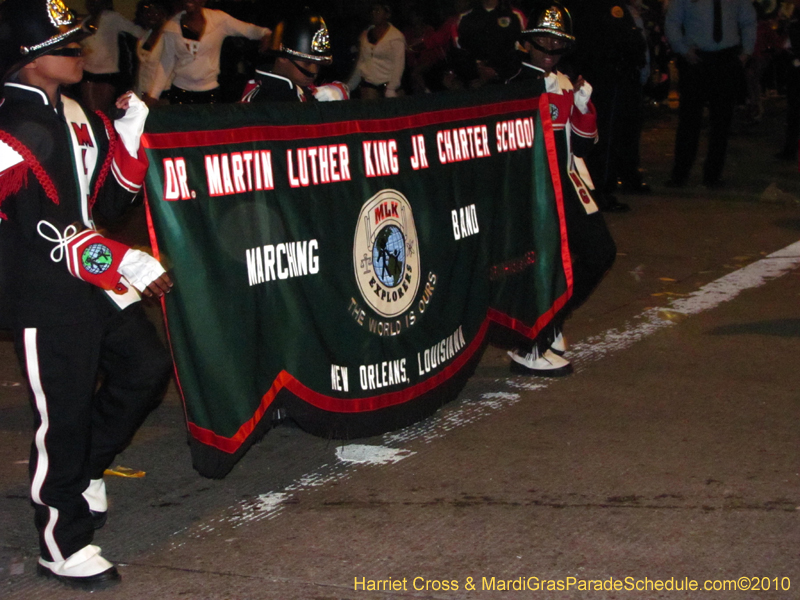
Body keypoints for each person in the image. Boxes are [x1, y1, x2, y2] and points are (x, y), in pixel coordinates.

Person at [0, 0, 173, 589]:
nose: (81, 52)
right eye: (66, 46)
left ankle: (85, 469)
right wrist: (123, 261)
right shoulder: (11, 127)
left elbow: (105, 204)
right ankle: (62, 542)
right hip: (44, 293)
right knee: (62, 417)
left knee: (145, 368)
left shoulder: (72, 111)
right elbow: (46, 235)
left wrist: (127, 140)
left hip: (91, 282)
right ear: (28, 59)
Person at [506, 2, 616, 376]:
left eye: (558, 40)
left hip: (569, 183)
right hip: (536, 191)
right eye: (543, 39)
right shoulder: (513, 86)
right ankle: (530, 344)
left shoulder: (566, 83)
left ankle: (550, 324)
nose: (550, 47)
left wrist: (582, 107)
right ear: (528, 41)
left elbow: (582, 145)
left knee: (598, 253)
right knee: (543, 267)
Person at [664, 0, 757, 187]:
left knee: (722, 120)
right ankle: (681, 172)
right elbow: (672, 21)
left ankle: (713, 174)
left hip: (726, 59)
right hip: (696, 59)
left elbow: (748, 20)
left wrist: (746, 51)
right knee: (689, 119)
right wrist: (682, 48)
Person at [571, 0, 648, 212]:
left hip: (615, 76)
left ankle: (611, 182)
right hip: (607, 77)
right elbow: (614, 40)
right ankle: (601, 190)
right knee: (606, 136)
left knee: (618, 134)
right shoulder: (599, 7)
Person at [145, 0, 271, 105]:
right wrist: (153, 95)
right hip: (180, 92)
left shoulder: (219, 20)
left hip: (209, 91)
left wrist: (266, 34)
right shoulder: (171, 28)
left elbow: (249, 30)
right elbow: (166, 63)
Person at [241, 10, 348, 103]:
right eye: (307, 63)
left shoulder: (295, 87)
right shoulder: (270, 99)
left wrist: (340, 90)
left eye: (318, 65)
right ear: (283, 57)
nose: (314, 72)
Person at [80, 0, 145, 114]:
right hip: (87, 70)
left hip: (108, 72)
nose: (93, 4)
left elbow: (138, 32)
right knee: (90, 111)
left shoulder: (112, 17)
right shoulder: (84, 21)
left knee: (101, 112)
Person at [450, 0, 527, 89]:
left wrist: (497, 72)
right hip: (475, 83)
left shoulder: (515, 15)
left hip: (509, 82)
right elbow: (460, 51)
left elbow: (524, 50)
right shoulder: (465, 17)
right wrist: (477, 72)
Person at [346, 2, 406, 99]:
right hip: (369, 84)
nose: (374, 13)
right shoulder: (365, 35)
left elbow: (399, 64)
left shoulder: (396, 37)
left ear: (387, 14)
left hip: (389, 84)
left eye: (377, 11)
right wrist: (349, 86)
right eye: (372, 10)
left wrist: (392, 88)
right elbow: (361, 62)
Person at [134, 0, 171, 99]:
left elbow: (167, 69)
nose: (151, 16)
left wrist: (153, 95)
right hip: (142, 91)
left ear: (164, 13)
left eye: (156, 12)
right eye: (148, 12)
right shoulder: (145, 36)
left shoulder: (168, 37)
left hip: (162, 93)